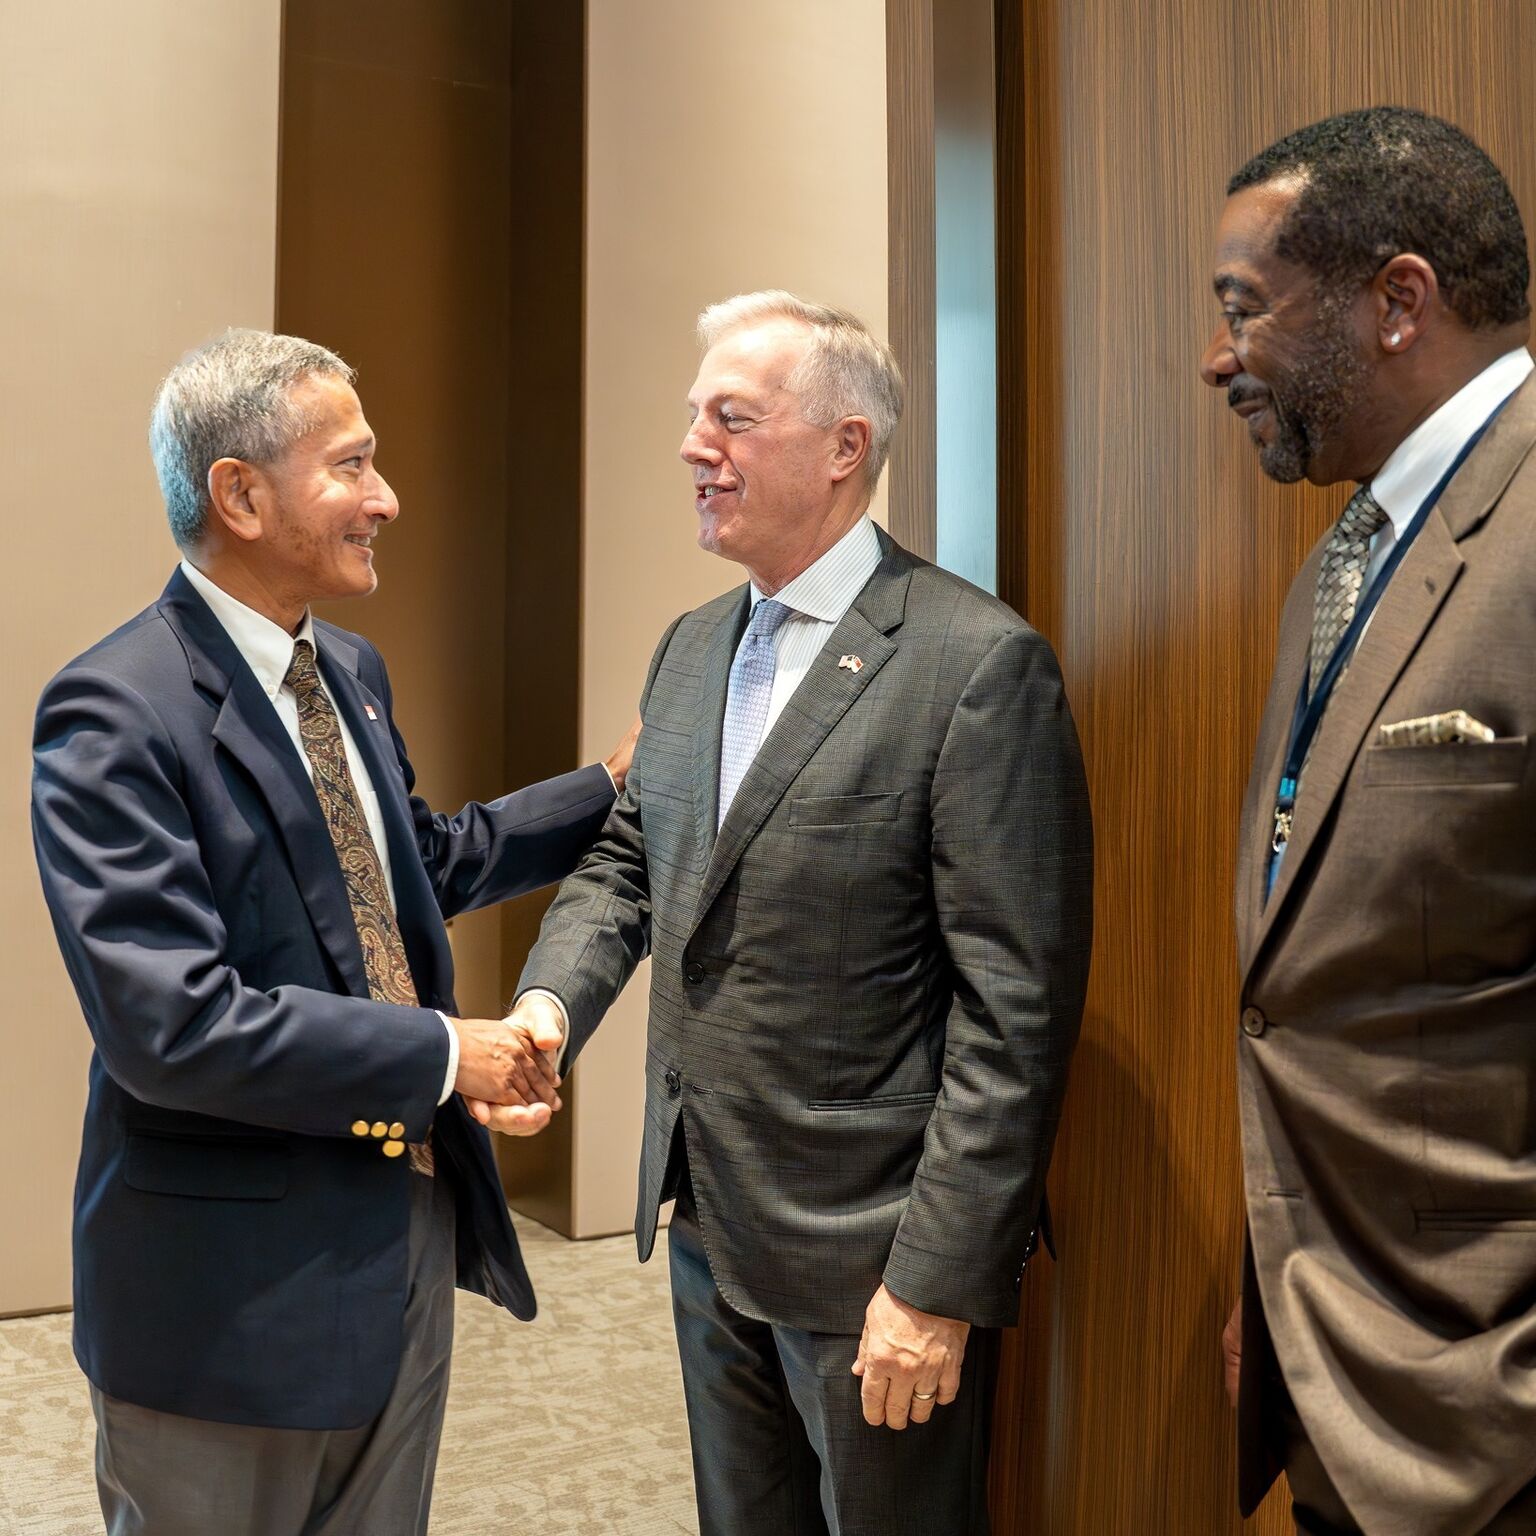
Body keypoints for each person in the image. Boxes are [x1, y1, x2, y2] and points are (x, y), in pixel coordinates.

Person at [477, 291, 1093, 1534]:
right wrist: (547, 1008)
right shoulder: (692, 647)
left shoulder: (975, 667)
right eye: (693, 416)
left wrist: (934, 1284)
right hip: (705, 1219)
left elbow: (1013, 1013)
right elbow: (629, 867)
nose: (694, 445)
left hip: (873, 1255)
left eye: (731, 417)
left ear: (843, 447)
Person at [31, 328, 635, 1535]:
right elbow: (174, 1025)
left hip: (398, 1236)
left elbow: (418, 865)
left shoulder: (345, 669)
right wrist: (442, 1055)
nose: (386, 499)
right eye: (351, 467)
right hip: (226, 1300)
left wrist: (609, 791)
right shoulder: (112, 711)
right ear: (240, 494)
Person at [1201, 108, 1536, 1534]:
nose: (1221, 359)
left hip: (1491, 1394)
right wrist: (1278, 1269)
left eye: (1246, 309)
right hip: (1333, 1339)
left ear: (1399, 301)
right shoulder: (1346, 556)